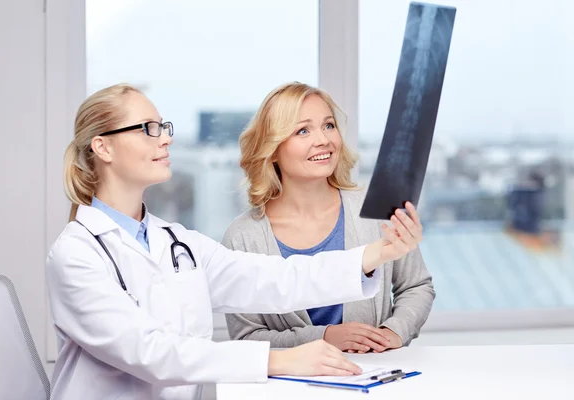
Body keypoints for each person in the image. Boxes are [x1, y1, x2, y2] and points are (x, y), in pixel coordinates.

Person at [45, 83, 424, 400]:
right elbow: (150, 352)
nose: (167, 138)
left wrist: (377, 253)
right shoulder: (76, 254)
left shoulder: (178, 242)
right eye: (148, 128)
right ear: (103, 147)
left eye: (164, 126)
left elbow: (276, 278)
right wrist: (278, 360)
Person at [224, 82, 434, 354]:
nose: (323, 140)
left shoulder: (375, 212)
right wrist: (323, 338)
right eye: (302, 130)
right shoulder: (243, 237)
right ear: (272, 149)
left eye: (328, 125)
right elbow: (246, 338)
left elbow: (417, 285)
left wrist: (394, 332)